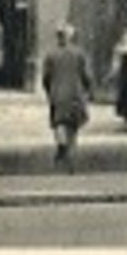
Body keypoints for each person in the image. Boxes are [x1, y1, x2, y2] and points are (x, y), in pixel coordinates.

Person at [42, 24, 93, 169]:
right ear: (71, 37)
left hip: (57, 94)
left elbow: (46, 77)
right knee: (73, 125)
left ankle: (62, 145)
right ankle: (71, 155)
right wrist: (88, 90)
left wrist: (49, 90)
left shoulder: (50, 55)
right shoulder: (79, 54)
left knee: (59, 122)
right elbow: (86, 76)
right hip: (75, 94)